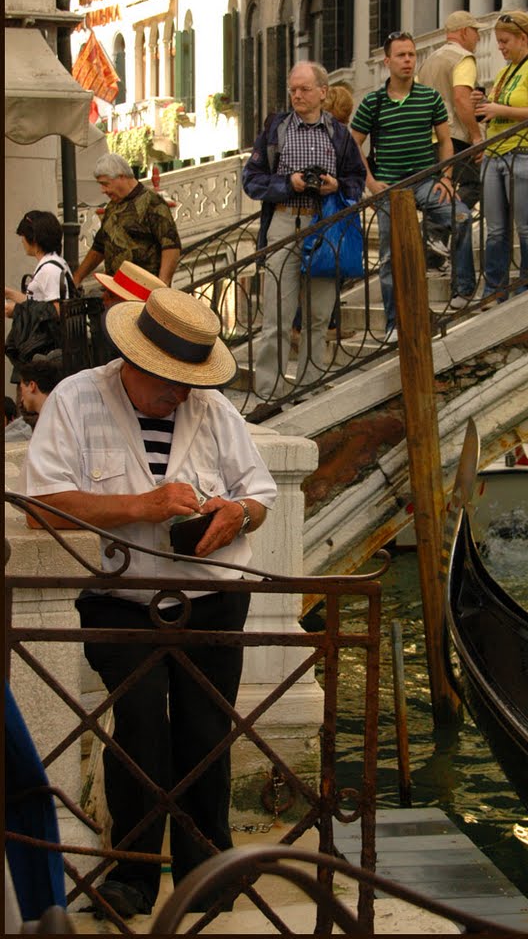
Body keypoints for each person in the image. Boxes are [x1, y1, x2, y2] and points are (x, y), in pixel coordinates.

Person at [19, 287, 277, 919]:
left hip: (213, 596)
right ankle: (132, 876)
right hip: (120, 598)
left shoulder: (213, 409)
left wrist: (237, 515)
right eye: (171, 382)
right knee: (138, 730)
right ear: (135, 362)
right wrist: (144, 506)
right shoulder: (77, 400)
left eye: (190, 382)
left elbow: (260, 491)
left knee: (207, 733)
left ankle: (207, 870)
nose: (182, 394)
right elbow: (42, 506)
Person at [242, 61, 366, 407]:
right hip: (283, 221)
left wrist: (336, 185)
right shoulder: (276, 129)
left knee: (318, 314)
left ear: (323, 93)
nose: (297, 95)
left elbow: (357, 181)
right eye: (292, 89)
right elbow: (250, 180)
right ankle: (269, 391)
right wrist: (288, 183)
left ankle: (310, 388)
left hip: (324, 226)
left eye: (304, 89)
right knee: (276, 316)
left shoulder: (338, 134)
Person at [350, 31, 475, 333]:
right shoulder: (373, 102)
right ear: (388, 60)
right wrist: (370, 181)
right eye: (401, 55)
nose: (407, 60)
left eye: (411, 55)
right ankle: (394, 323)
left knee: (462, 217)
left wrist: (446, 178)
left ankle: (464, 289)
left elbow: (445, 141)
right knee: (390, 255)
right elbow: (353, 144)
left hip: (426, 181)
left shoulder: (429, 97)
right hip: (390, 188)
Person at [474, 10, 528, 300]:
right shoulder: (505, 72)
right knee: (495, 230)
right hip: (495, 153)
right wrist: (482, 105)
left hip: (523, 153)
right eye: (498, 41)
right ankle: (495, 288)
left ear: (522, 39)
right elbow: (495, 113)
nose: (500, 47)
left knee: (526, 226)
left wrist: (500, 110)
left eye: (505, 41)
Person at [71, 154, 181, 288]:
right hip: (115, 290)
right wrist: (77, 278)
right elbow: (99, 246)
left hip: (144, 291)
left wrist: (162, 285)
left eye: (105, 184)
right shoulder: (112, 206)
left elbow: (171, 246)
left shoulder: (152, 202)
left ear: (121, 177)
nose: (103, 190)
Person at [417, 10, 484, 210]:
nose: (478, 37)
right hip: (454, 135)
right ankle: (439, 228)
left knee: (440, 187)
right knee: (474, 184)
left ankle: (435, 232)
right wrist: (477, 137)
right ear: (464, 32)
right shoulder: (463, 58)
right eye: (475, 31)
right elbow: (461, 98)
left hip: (430, 137)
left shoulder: (428, 61)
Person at [5, 211, 74, 318]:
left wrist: (16, 311)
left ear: (34, 238)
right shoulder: (56, 261)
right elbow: (38, 304)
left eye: (23, 235)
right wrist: (9, 293)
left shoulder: (49, 270)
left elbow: (57, 310)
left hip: (50, 335)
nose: (22, 240)